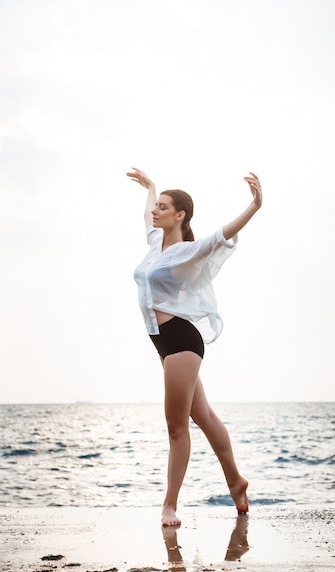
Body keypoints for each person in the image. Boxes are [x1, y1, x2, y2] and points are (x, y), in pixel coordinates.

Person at [127, 167, 263, 527]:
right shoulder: (156, 243)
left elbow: (223, 234)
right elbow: (145, 216)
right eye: (156, 206)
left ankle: (169, 505)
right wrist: (151, 187)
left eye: (163, 206)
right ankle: (236, 481)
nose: (155, 211)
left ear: (180, 215)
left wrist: (255, 205)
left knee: (176, 426)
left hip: (182, 341)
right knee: (202, 415)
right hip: (163, 342)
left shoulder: (189, 250)